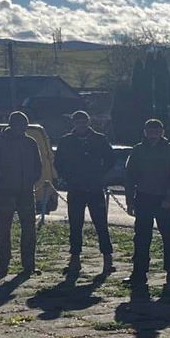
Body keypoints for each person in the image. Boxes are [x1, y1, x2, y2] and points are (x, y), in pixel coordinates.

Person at [124, 119, 170, 289]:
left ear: (162, 132)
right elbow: (129, 176)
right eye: (150, 131)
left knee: (168, 238)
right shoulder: (137, 150)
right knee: (141, 238)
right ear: (145, 132)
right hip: (143, 198)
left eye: (156, 131)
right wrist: (130, 201)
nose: (153, 134)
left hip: (164, 200)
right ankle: (139, 273)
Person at [0, 111, 42, 277]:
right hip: (5, 192)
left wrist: (31, 180)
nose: (21, 128)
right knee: (3, 230)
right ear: (11, 125)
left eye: (24, 125)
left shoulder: (31, 143)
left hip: (26, 192)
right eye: (18, 125)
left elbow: (38, 166)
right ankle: (2, 266)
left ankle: (29, 266)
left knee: (29, 230)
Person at [55, 110, 115, 276]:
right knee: (75, 225)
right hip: (75, 188)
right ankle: (75, 259)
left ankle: (107, 258)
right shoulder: (66, 141)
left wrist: (100, 173)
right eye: (78, 121)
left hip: (95, 187)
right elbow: (58, 162)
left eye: (83, 121)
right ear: (73, 123)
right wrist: (68, 177)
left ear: (88, 122)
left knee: (101, 224)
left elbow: (111, 158)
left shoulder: (99, 139)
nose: (81, 124)